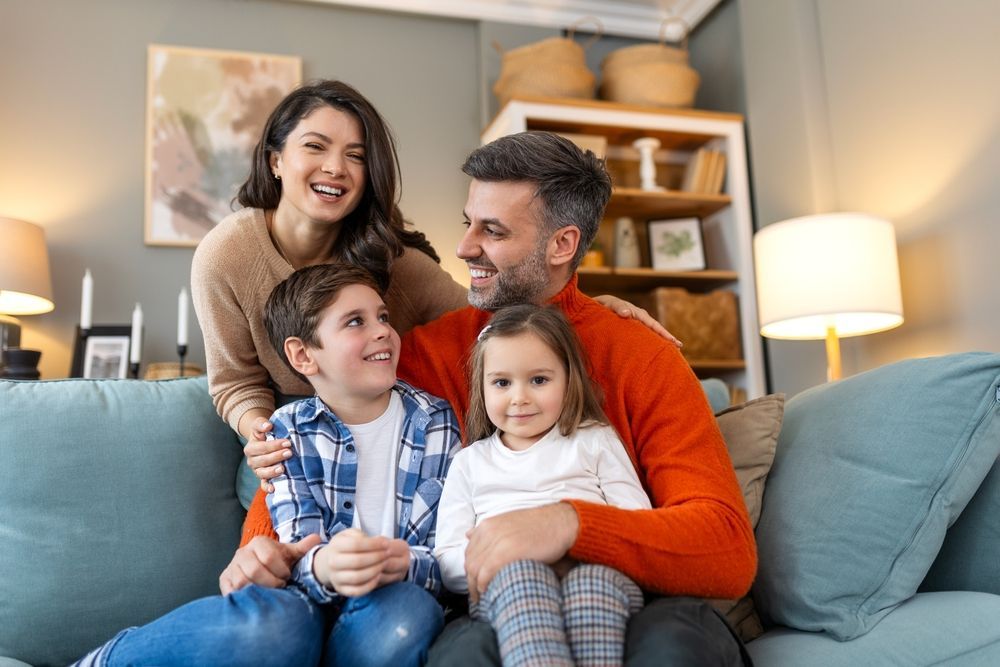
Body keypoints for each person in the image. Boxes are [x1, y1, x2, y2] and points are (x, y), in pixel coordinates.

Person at [241, 131, 756, 665]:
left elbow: (726, 549)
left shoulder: (641, 354)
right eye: (469, 222)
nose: (464, 247)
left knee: (670, 651)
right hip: (495, 601)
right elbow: (325, 431)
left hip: (638, 603)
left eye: (493, 230)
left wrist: (567, 523)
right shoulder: (426, 353)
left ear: (562, 244)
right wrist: (261, 544)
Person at [190, 78, 676, 510]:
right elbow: (235, 380)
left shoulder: (391, 259)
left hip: (382, 435)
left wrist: (588, 306)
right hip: (287, 440)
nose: (336, 167)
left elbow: (496, 311)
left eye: (356, 155)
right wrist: (262, 434)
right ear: (276, 159)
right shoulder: (225, 256)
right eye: (315, 147)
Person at [73, 263, 460, 667]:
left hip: (394, 597)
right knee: (275, 627)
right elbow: (297, 542)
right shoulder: (287, 431)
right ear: (302, 355)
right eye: (354, 322)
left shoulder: (436, 421)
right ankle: (107, 659)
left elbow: (446, 553)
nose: (382, 330)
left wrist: (402, 562)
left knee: (409, 614)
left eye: (383, 317)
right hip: (307, 598)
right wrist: (326, 566)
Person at [434, 303, 651, 667]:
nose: (519, 398)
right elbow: (448, 561)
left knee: (590, 586)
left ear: (569, 379)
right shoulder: (470, 463)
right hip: (506, 584)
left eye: (539, 380)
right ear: (481, 386)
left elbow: (640, 524)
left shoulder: (594, 440)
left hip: (595, 575)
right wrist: (506, 554)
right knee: (523, 578)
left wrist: (573, 543)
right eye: (502, 382)